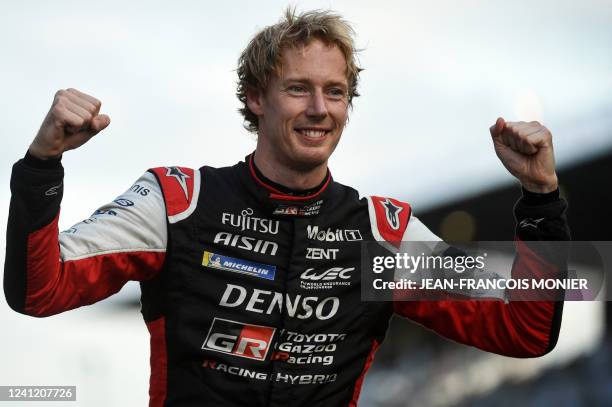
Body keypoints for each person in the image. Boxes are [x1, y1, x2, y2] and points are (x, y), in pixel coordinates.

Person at [4, 8, 570, 407]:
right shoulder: (177, 201)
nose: (320, 109)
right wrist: (41, 165)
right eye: (298, 88)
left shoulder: (384, 233)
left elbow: (523, 331)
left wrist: (541, 200)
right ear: (255, 97)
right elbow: (38, 290)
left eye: (336, 91)